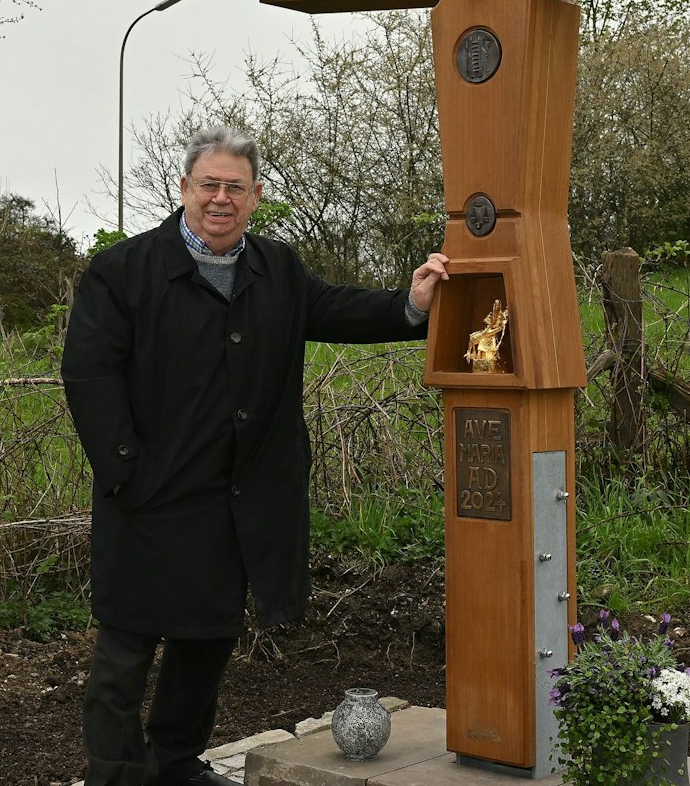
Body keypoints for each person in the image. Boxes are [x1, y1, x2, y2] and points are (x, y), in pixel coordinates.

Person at [63, 125, 450, 786]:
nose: (221, 198)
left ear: (256, 196)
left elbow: (338, 310)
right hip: (150, 496)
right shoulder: (122, 271)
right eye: (209, 184)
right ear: (184, 188)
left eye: (235, 188)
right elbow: (89, 374)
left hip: (237, 500)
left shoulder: (278, 268)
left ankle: (176, 764)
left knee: (208, 638)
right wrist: (125, 472)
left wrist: (411, 303)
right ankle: (117, 775)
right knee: (126, 647)